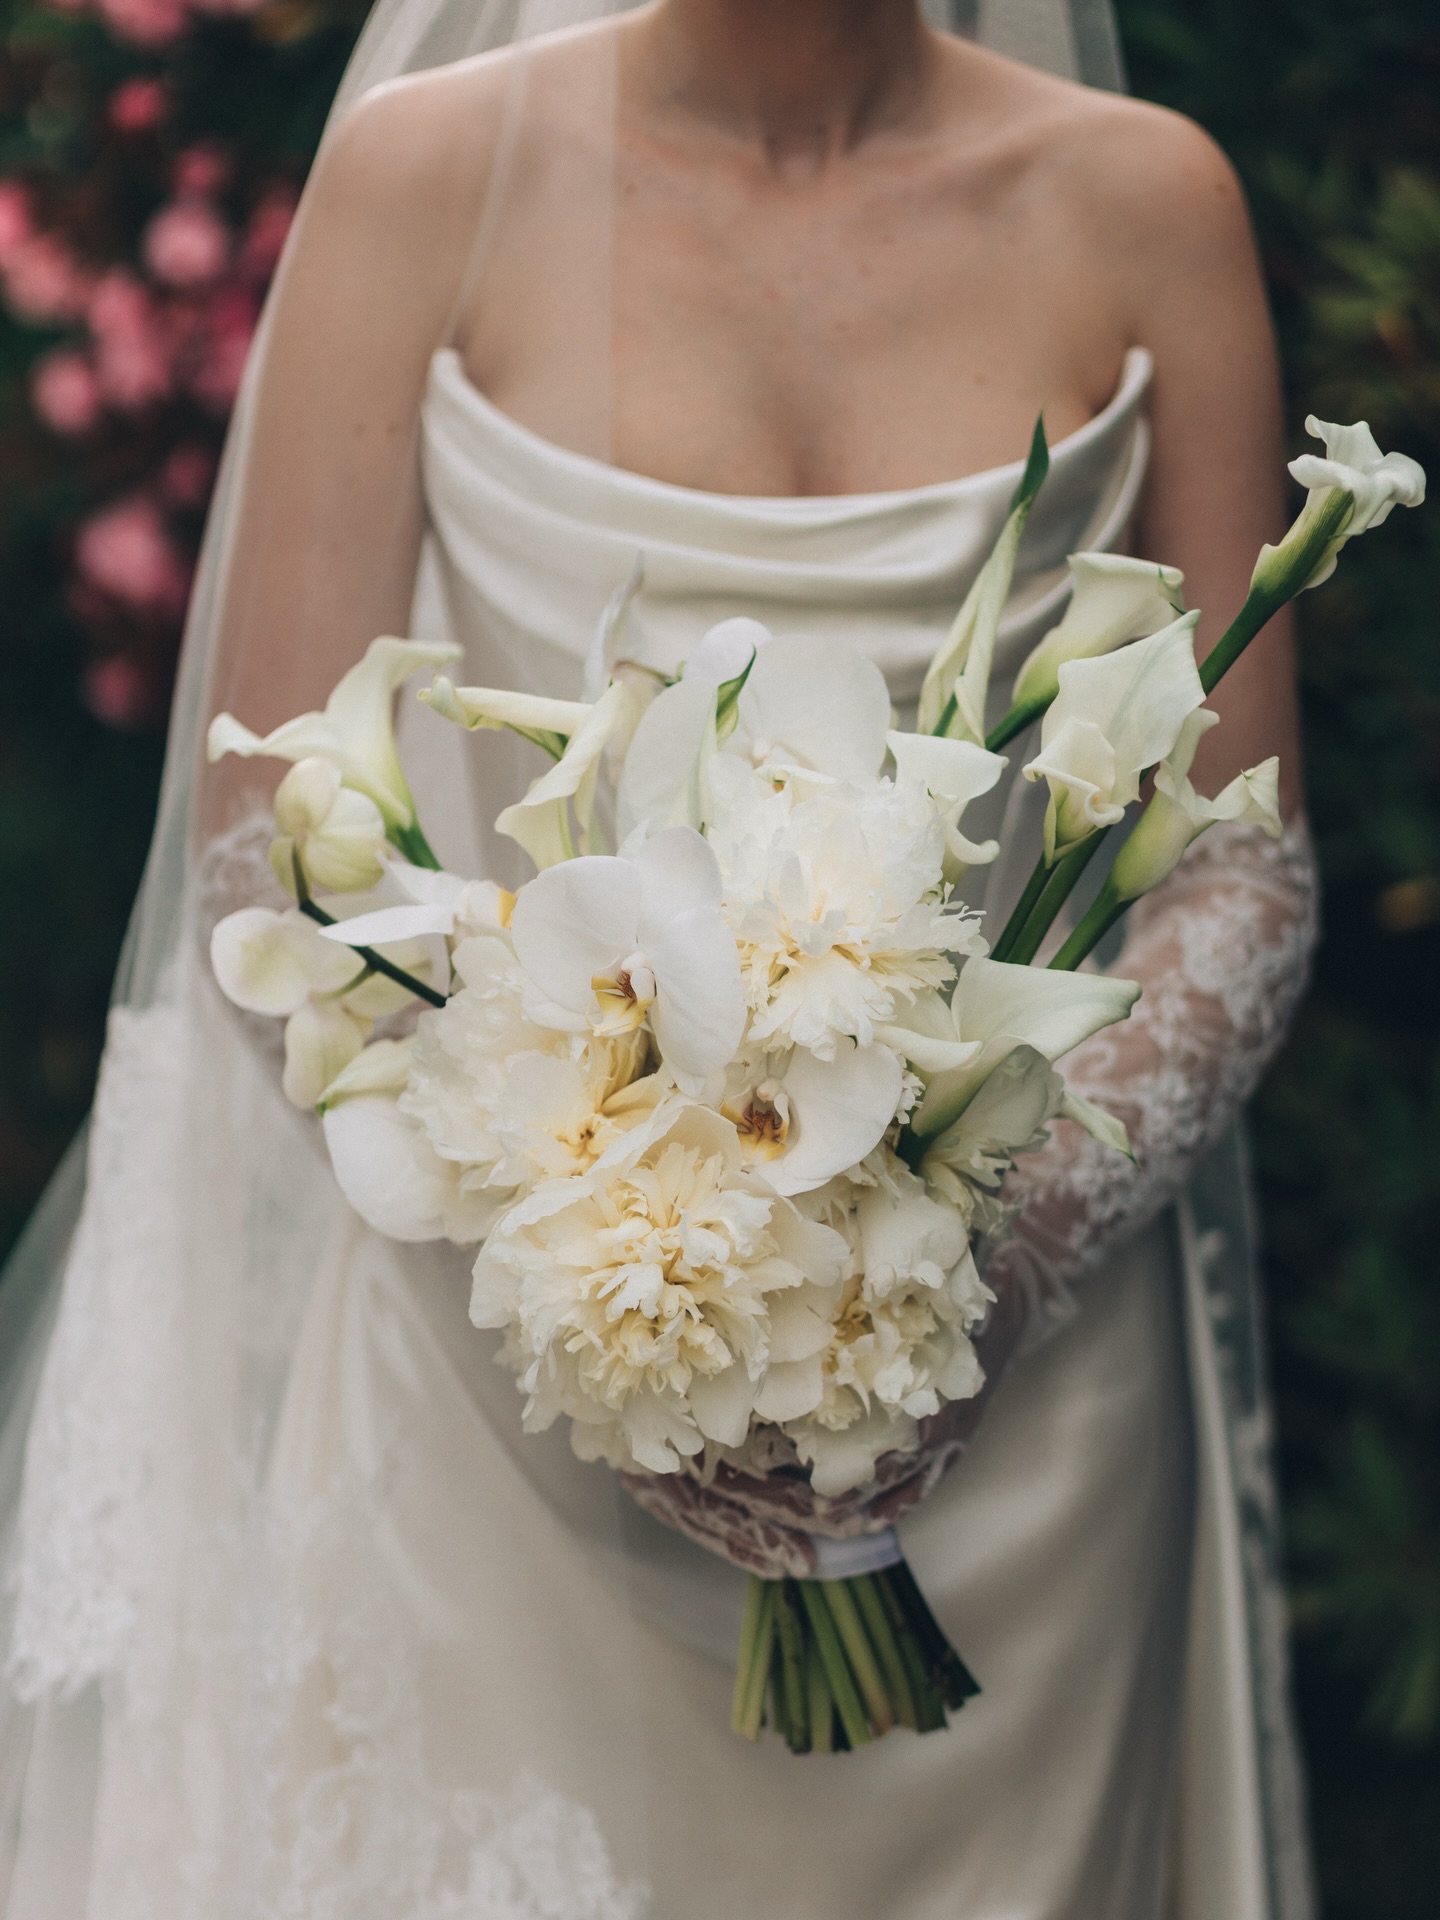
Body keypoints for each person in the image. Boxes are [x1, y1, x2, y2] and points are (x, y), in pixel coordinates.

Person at [0, 4, 1318, 1916]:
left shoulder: (1147, 204)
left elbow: (1241, 862)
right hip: (504, 1434)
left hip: (1017, 1448)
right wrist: (600, 1281)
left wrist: (990, 1266)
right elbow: (270, 837)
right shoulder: (424, 179)